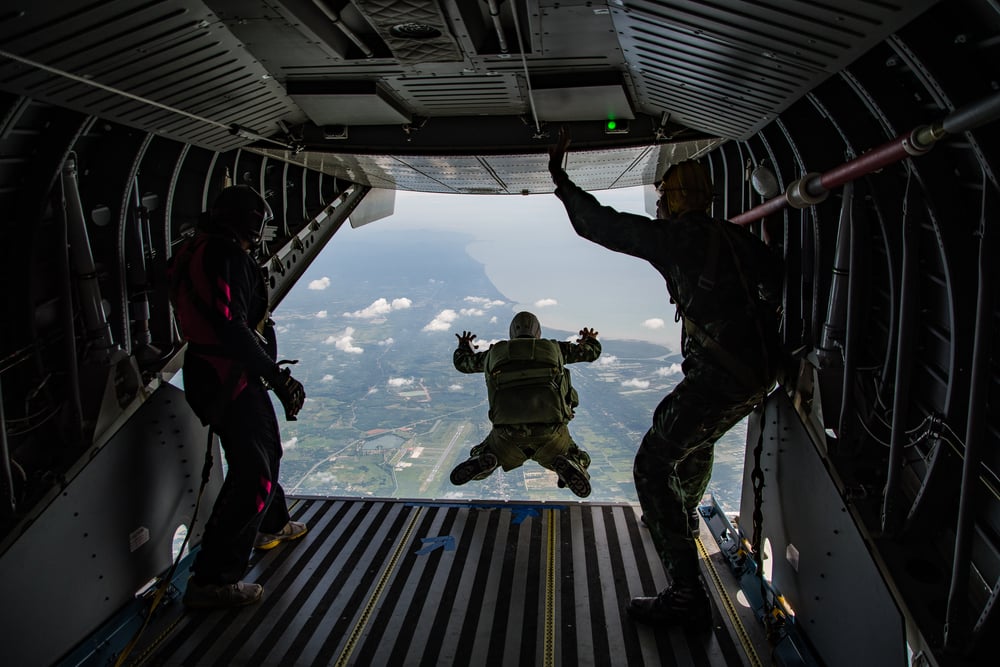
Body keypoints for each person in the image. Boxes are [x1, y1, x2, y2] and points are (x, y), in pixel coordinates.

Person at [548, 129, 782, 627]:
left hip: (721, 376)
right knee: (696, 442)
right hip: (759, 372)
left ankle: (686, 595)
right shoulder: (733, 235)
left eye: (662, 201)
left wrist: (561, 180)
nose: (658, 209)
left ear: (674, 202)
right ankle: (682, 515)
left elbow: (602, 225)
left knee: (651, 466)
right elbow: (773, 276)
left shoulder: (679, 238)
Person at [168, 184, 308, 609]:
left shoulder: (195, 250)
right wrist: (275, 376)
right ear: (251, 225)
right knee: (255, 475)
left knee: (264, 453)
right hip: (230, 377)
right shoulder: (225, 256)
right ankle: (212, 581)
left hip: (216, 374)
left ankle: (272, 523)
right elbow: (232, 326)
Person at [450, 311, 602, 498]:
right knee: (581, 458)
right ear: (538, 332)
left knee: (483, 454)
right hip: (551, 433)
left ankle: (484, 459)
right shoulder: (555, 349)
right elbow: (592, 352)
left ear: (512, 332)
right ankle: (571, 464)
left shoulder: (495, 354)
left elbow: (462, 363)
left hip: (506, 435)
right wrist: (589, 339)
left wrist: (464, 345)